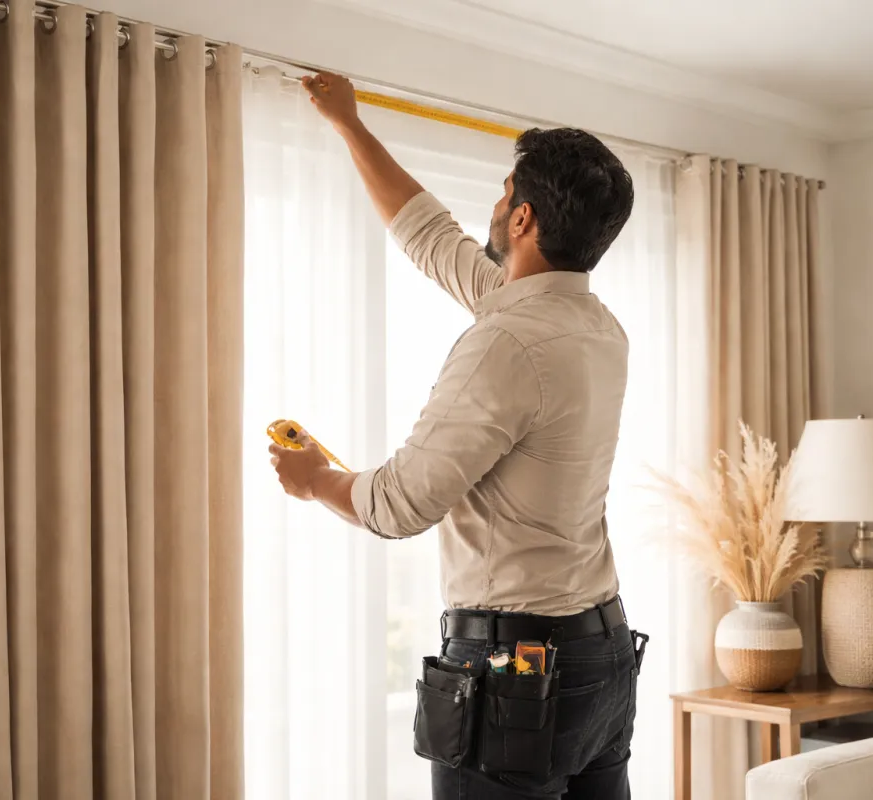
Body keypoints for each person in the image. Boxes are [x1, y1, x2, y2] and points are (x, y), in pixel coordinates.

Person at [269, 71, 642, 800]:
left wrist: (316, 480)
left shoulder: (506, 342)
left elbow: (401, 504)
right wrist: (351, 125)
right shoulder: (597, 328)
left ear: (525, 219)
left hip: (516, 675)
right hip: (600, 659)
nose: (495, 205)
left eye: (505, 195)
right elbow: (433, 239)